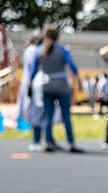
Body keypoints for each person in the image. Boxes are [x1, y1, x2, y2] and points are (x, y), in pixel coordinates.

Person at [29, 25, 84, 153]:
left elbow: (33, 71)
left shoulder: (39, 50)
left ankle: (48, 142)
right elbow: (73, 68)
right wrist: (79, 82)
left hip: (46, 85)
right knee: (66, 116)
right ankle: (71, 143)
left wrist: (30, 86)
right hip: (62, 85)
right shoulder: (63, 50)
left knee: (48, 115)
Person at [17, 32, 42, 151]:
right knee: (37, 110)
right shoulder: (35, 50)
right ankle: (38, 139)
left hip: (31, 82)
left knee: (33, 109)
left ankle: (37, 139)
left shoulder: (31, 50)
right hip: (34, 82)